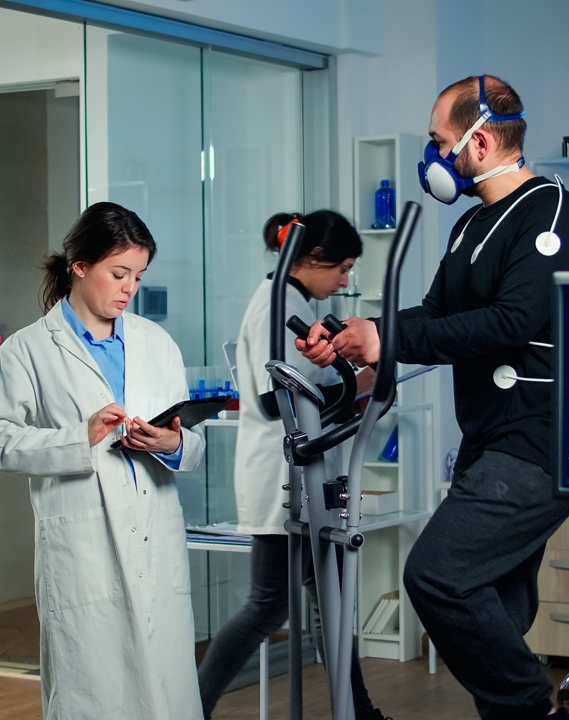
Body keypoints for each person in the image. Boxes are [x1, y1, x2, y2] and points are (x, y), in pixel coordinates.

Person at [298, 75, 569, 720]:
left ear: (479, 141)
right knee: (500, 610)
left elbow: (513, 321)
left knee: (437, 575)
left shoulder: (551, 212)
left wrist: (387, 338)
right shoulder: (470, 226)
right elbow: (435, 314)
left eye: (438, 141)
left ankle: (534, 712)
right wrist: (357, 339)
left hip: (540, 440)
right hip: (489, 439)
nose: (432, 157)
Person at [0, 201, 205, 720]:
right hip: (83, 549)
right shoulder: (28, 350)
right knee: (94, 693)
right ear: (80, 267)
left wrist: (171, 445)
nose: (129, 289)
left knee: (166, 692)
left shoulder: (157, 344)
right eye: (118, 273)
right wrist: (80, 438)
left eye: (138, 277)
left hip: (153, 537)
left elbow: (190, 443)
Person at [196, 210, 389, 720]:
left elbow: (305, 388)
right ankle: (190, 705)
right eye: (342, 268)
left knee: (331, 603)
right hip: (279, 478)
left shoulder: (294, 299)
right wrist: (359, 387)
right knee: (268, 606)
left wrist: (351, 386)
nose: (346, 280)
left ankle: (360, 711)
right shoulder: (277, 304)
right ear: (313, 258)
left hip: (305, 477)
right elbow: (271, 399)